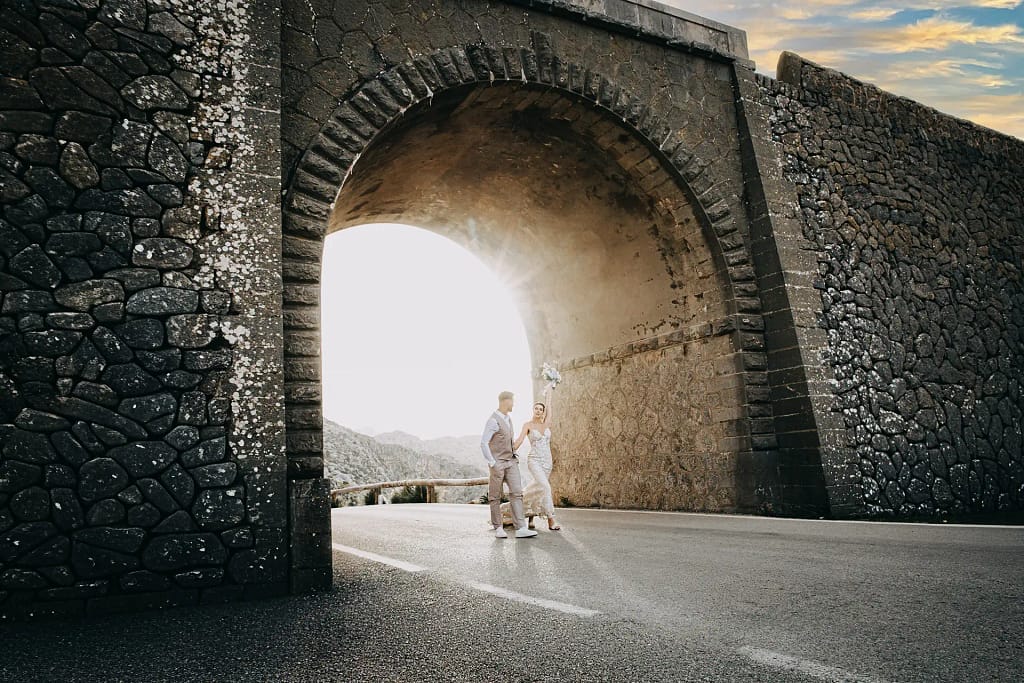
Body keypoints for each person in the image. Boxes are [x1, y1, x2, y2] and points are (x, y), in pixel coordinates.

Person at [480, 391, 537, 539]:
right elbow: (484, 443)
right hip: (498, 463)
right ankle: (498, 527)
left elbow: (509, 443)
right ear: (505, 401)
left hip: (511, 462)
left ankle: (521, 528)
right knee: (495, 496)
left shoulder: (509, 419)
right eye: (512, 401)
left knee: (517, 493)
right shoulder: (493, 421)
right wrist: (492, 463)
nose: (514, 404)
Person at [513, 388, 560, 531]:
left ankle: (530, 515)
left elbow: (549, 407)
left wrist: (550, 391)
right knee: (546, 487)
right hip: (534, 461)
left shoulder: (546, 424)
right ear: (533, 410)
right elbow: (520, 440)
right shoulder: (528, 425)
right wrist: (510, 450)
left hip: (547, 462)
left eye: (541, 409)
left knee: (539, 488)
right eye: (536, 408)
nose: (539, 411)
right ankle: (551, 519)